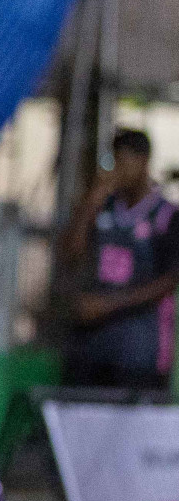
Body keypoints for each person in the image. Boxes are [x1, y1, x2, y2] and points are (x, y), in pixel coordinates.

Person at [59, 128, 179, 390]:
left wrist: (108, 304)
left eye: (126, 162)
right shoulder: (102, 206)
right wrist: (90, 202)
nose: (120, 171)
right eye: (116, 162)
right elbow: (70, 254)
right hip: (91, 349)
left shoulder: (167, 216)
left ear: (144, 162)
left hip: (140, 354)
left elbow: (170, 281)